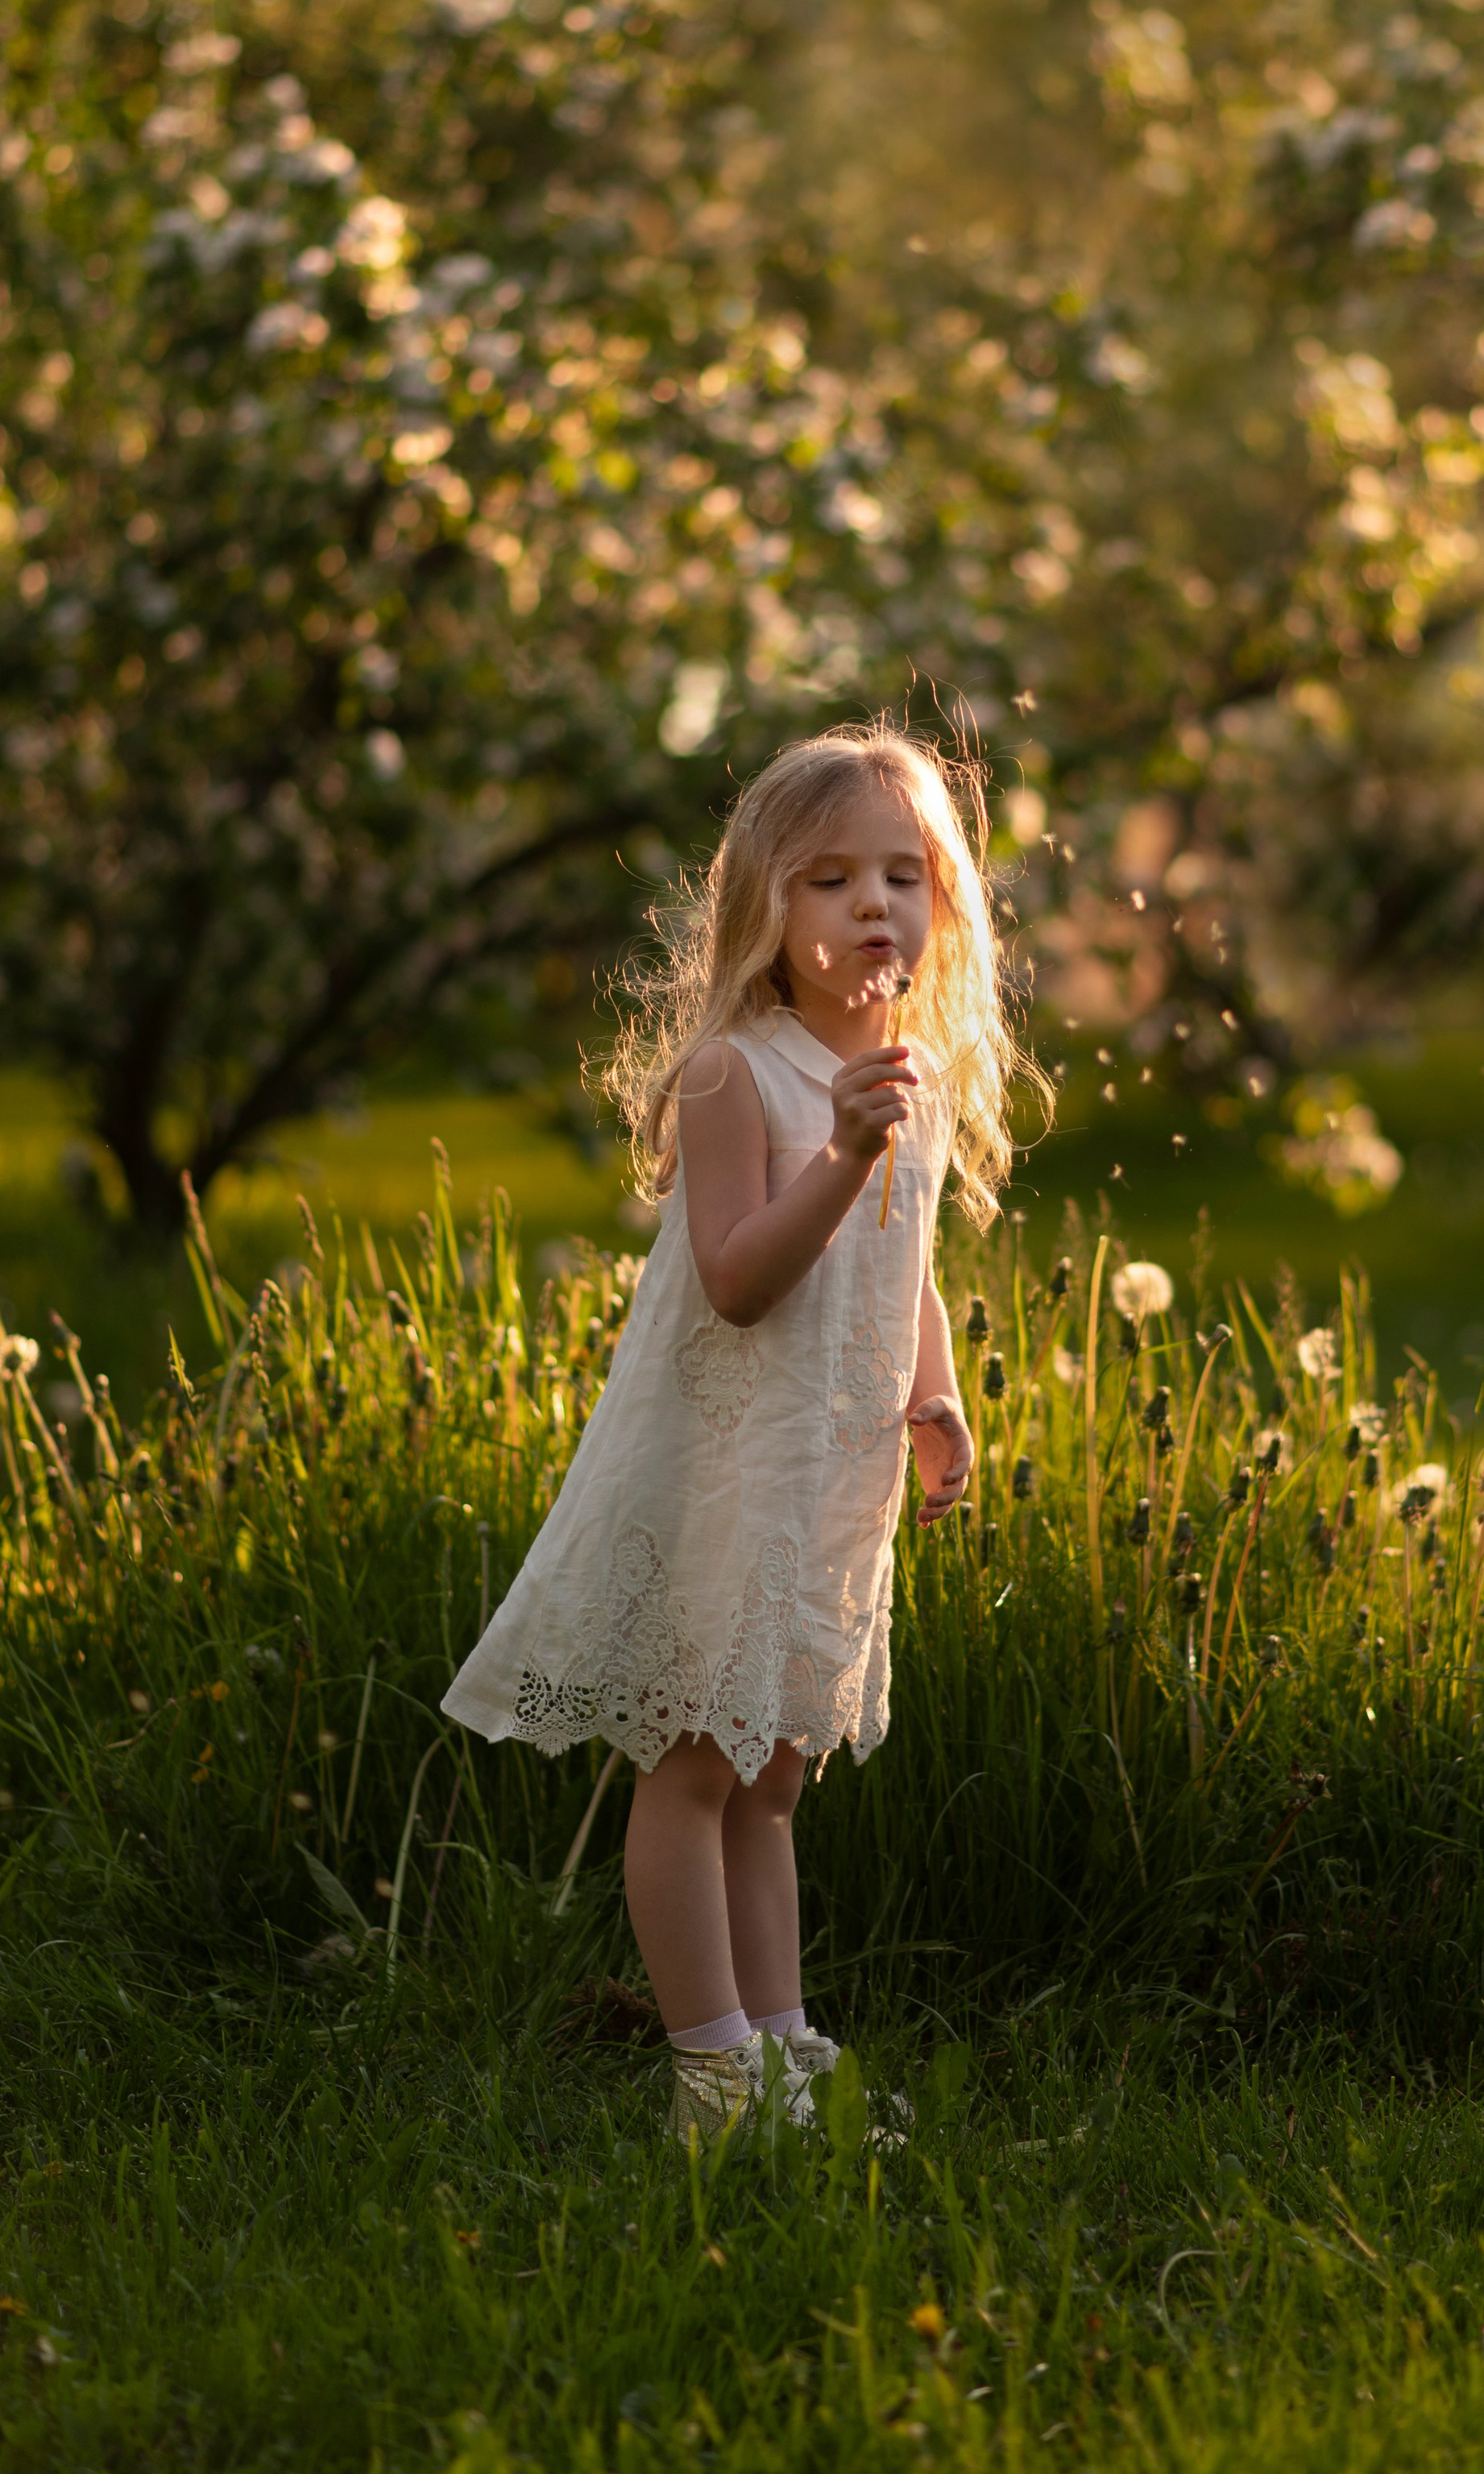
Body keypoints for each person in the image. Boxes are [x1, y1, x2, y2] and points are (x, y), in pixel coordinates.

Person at [442, 720, 1046, 2139]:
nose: (872, 907)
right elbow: (741, 1278)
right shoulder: (738, 1075)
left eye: (902, 876)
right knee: (699, 1764)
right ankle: (709, 2065)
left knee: (779, 1772)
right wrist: (842, 1148)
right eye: (829, 878)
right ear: (761, 907)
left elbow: (906, 1271)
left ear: (945, 906)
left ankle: (782, 2045)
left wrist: (937, 1390)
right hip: (728, 1469)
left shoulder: (911, 1077)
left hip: (831, 1476)